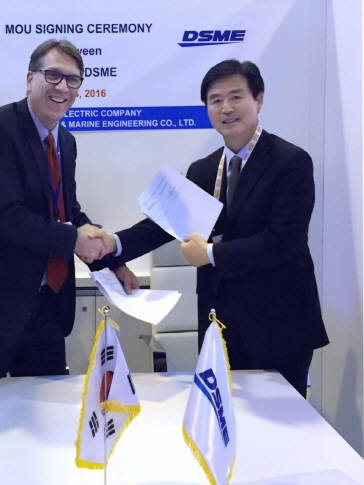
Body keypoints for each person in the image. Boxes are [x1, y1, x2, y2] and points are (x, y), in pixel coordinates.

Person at [100, 60, 329, 397]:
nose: (226, 108)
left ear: (258, 99)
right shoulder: (204, 169)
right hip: (220, 322)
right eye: (215, 100)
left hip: (278, 323)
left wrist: (209, 253)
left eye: (236, 97)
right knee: (220, 414)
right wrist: (113, 246)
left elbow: (284, 241)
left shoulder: (290, 162)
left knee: (280, 417)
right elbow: (163, 225)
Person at [0, 39, 133, 380]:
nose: (62, 87)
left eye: (72, 79)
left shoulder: (65, 141)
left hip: (47, 307)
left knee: (48, 407)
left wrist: (112, 262)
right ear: (30, 79)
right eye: (53, 75)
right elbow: (4, 218)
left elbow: (68, 212)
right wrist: (73, 239)